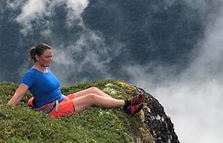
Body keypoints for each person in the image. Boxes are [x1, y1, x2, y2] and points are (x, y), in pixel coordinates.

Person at [5, 43, 144, 118]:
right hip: (52, 110)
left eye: (51, 56)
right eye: (47, 57)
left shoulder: (45, 69)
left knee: (93, 89)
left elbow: (53, 90)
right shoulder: (31, 75)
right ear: (37, 57)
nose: (50, 59)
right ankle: (127, 103)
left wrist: (66, 99)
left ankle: (122, 106)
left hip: (60, 100)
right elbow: (18, 94)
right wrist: (5, 111)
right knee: (91, 98)